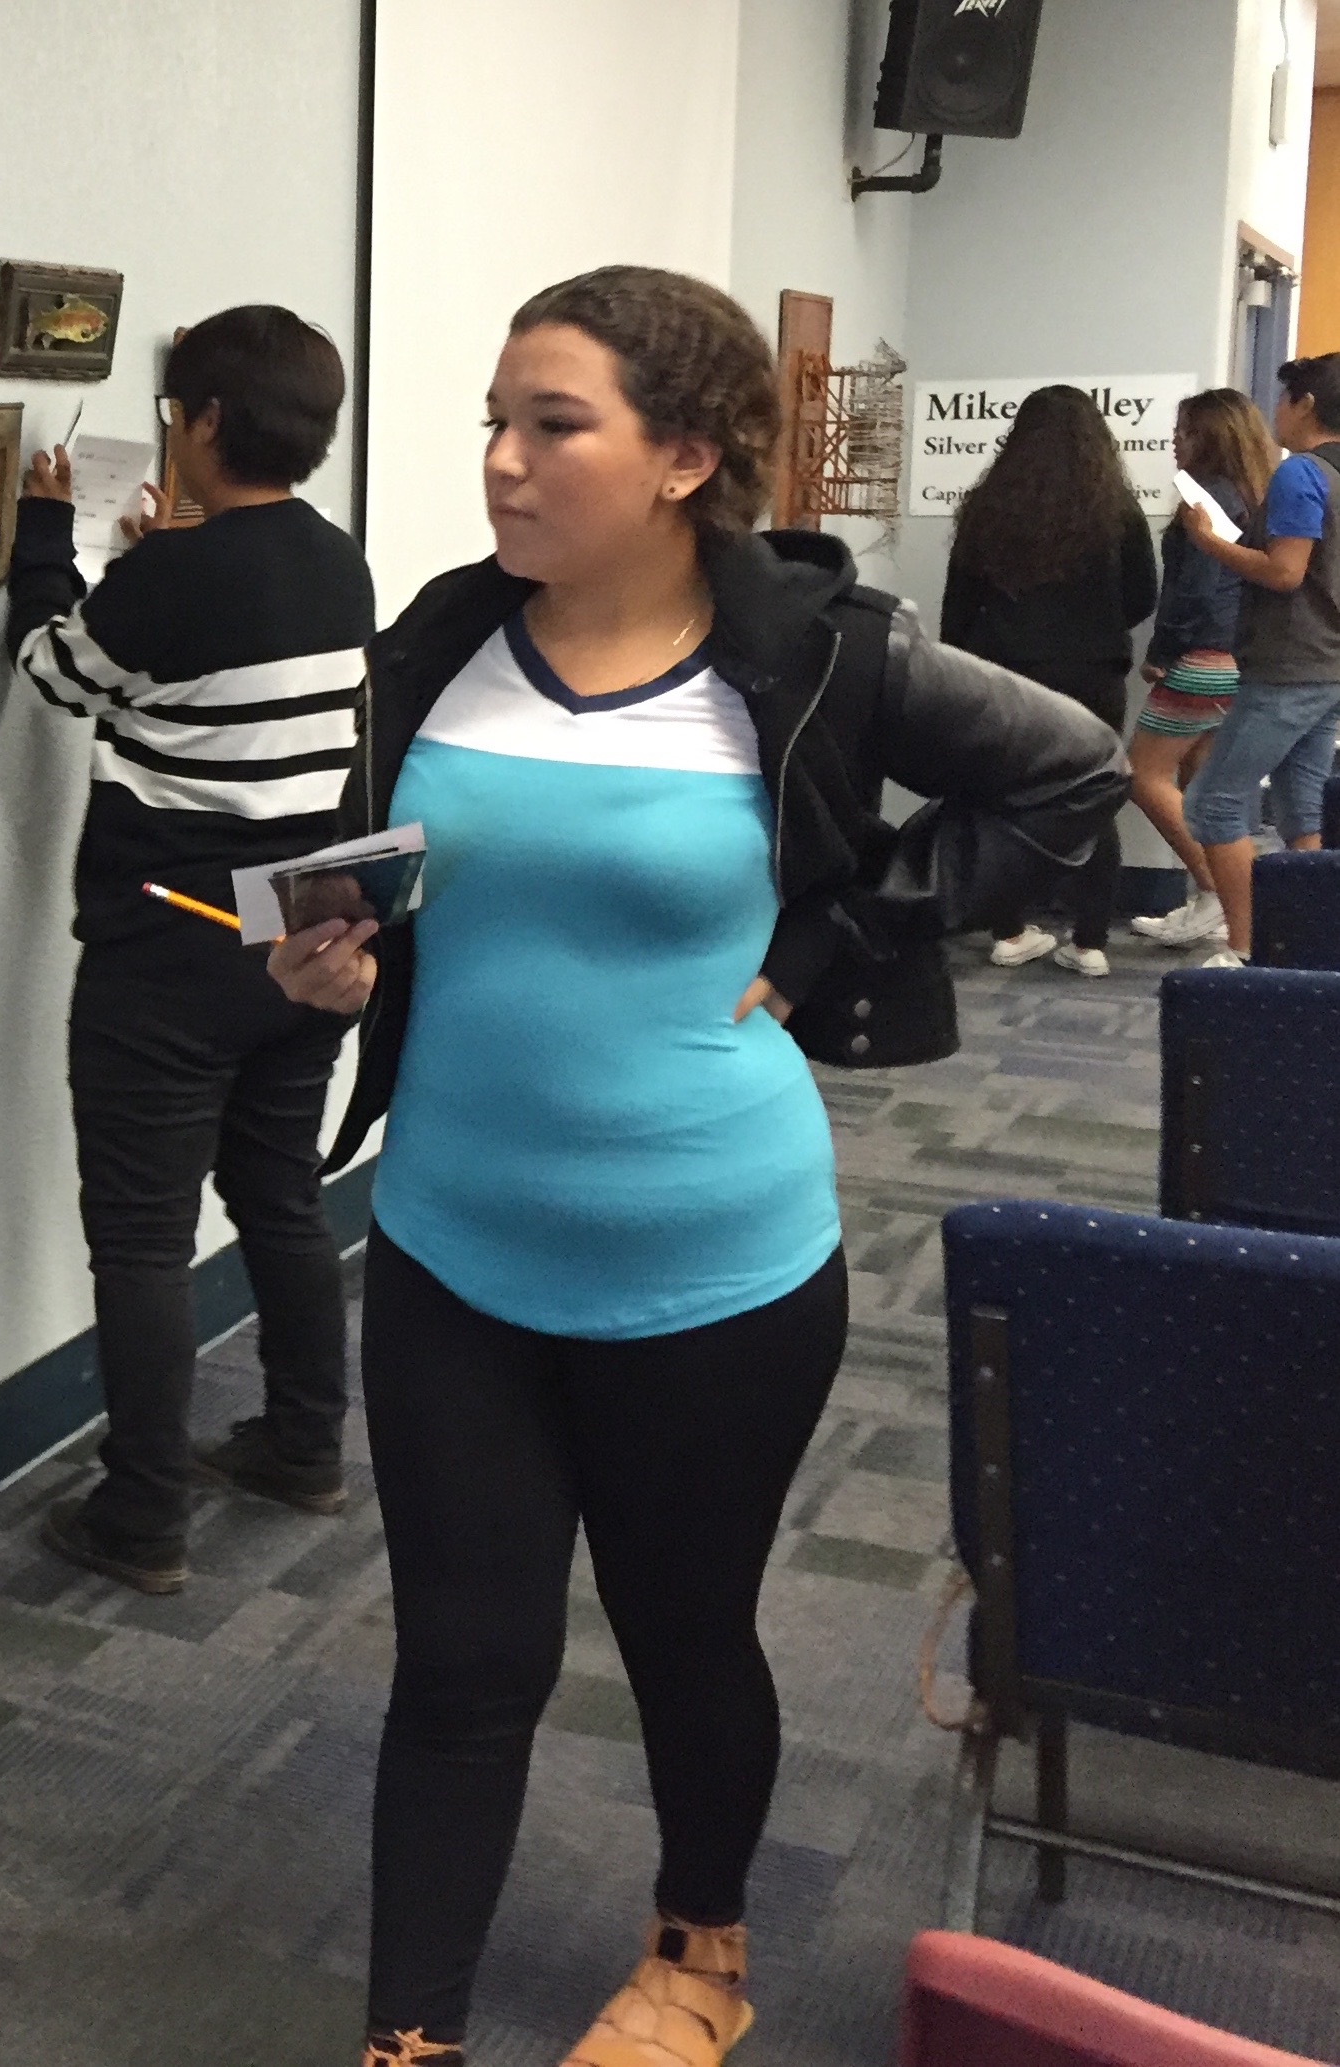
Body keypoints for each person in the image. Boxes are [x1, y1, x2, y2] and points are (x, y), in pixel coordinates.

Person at [269, 267, 1122, 2067]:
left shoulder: (814, 652)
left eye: (552, 425)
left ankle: (699, 1950)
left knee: (683, 1633)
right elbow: (410, 882)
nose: (501, 462)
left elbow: (1073, 770)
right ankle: (409, 2032)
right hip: (448, 1246)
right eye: (493, 423)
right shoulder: (438, 640)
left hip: (711, 1262)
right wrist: (338, 965)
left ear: (682, 457)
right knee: (460, 1661)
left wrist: (838, 939)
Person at [4, 305, 376, 1595]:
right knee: (278, 1196)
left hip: (165, 949)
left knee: (142, 1242)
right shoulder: (336, 562)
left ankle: (142, 1514)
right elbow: (207, 666)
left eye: (173, 411)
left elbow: (53, 674)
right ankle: (302, 1445)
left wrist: (44, 536)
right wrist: (151, 563)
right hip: (296, 932)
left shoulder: (173, 578)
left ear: (205, 420)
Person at [940, 385, 1157, 979]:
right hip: (1091, 675)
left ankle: (1008, 931)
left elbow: (958, 607)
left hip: (1005, 676)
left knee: (1000, 802)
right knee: (1093, 802)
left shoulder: (988, 509)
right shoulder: (1118, 511)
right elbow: (1141, 598)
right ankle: (1090, 942)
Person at [1173, 353, 1340, 965]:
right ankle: (1310, 944)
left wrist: (1209, 541)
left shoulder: (1301, 473)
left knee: (1212, 802)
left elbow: (1285, 571)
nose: (1275, 413)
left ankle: (1247, 948)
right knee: (1302, 811)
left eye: (1283, 399)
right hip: (1329, 665)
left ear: (1306, 404)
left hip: (1288, 667)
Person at [1127, 389, 1269, 948]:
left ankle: (1215, 891)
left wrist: (1163, 652)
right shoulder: (1252, 493)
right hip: (1236, 657)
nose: (1173, 441)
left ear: (1209, 437)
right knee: (1199, 782)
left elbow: (1198, 588)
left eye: (1184, 430)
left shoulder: (1207, 496)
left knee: (1141, 774)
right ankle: (1220, 907)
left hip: (1202, 656)